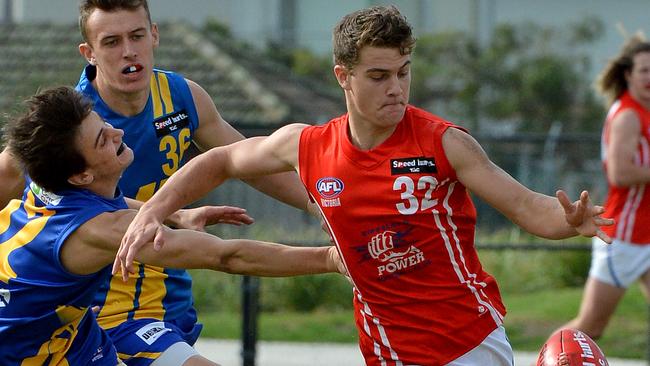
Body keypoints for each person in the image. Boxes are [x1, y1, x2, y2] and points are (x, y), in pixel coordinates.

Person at [118, 5, 613, 366]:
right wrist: (153, 209)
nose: (396, 88)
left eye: (403, 72)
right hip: (383, 348)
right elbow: (223, 159)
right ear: (343, 77)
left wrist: (566, 220)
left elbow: (527, 206)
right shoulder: (307, 146)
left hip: (466, 346)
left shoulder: (445, 143)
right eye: (378, 76)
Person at [0, 0, 314, 364]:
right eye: (112, 42)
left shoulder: (182, 97)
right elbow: (227, 255)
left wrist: (319, 206)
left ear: (154, 35)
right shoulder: (68, 131)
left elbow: (247, 160)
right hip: (103, 315)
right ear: (89, 53)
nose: (129, 52)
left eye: (136, 36)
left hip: (169, 292)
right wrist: (333, 259)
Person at [558, 35, 650, 340]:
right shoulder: (628, 115)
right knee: (589, 327)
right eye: (644, 71)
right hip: (623, 237)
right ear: (628, 75)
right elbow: (621, 173)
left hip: (646, 233)